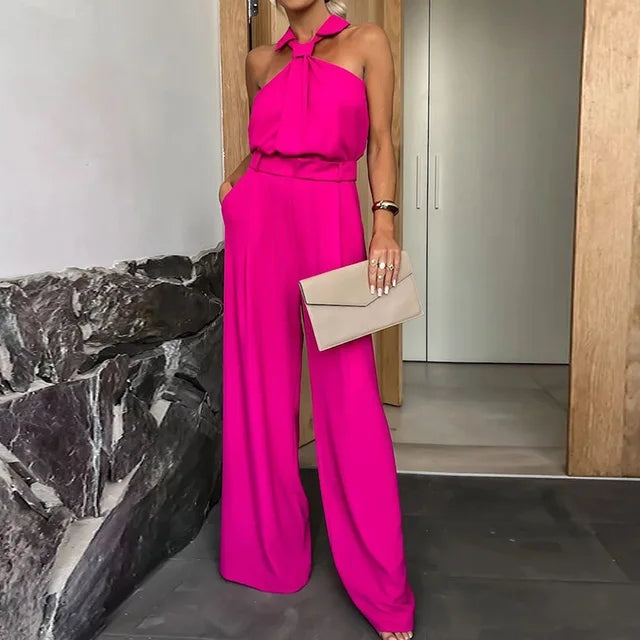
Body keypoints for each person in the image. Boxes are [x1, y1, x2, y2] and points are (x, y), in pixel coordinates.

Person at [217, 1, 415, 638]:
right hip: (259, 221)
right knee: (261, 387)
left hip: (331, 215)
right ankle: (267, 553)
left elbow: (381, 141)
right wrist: (232, 189)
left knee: (350, 394)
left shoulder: (366, 41)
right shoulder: (259, 61)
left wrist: (384, 223)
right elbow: (260, 147)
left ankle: (382, 586)